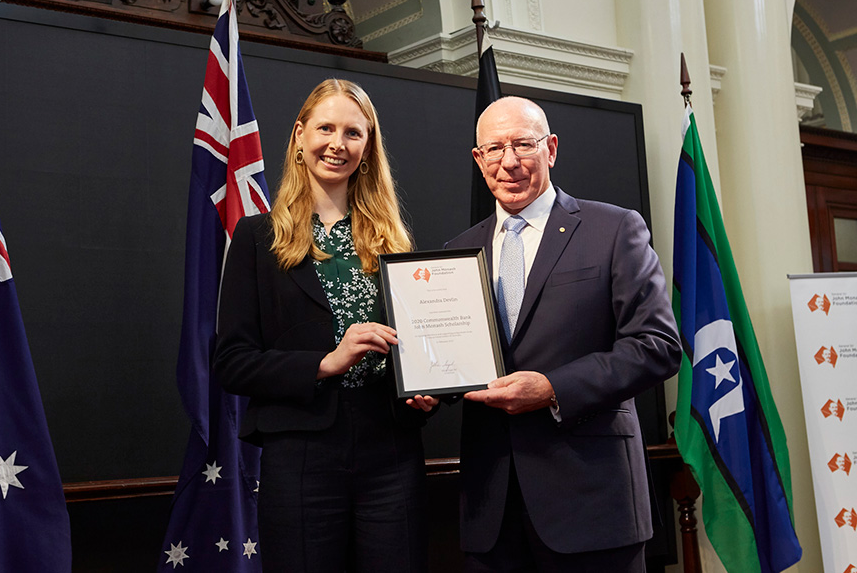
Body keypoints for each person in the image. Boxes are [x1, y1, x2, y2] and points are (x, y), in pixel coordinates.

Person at [445, 96, 682, 572]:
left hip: (593, 505)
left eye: (523, 145)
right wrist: (430, 386)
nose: (508, 161)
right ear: (478, 159)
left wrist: (554, 389)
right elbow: (459, 357)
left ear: (550, 148)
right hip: (492, 512)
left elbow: (657, 346)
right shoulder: (457, 251)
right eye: (494, 149)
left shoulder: (612, 229)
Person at [212, 79, 434, 573]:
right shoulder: (256, 239)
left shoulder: (397, 245)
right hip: (301, 456)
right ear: (298, 136)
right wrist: (326, 362)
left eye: (354, 133)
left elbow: (421, 352)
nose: (338, 144)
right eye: (326, 128)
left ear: (368, 146)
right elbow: (232, 363)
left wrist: (426, 390)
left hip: (392, 452)